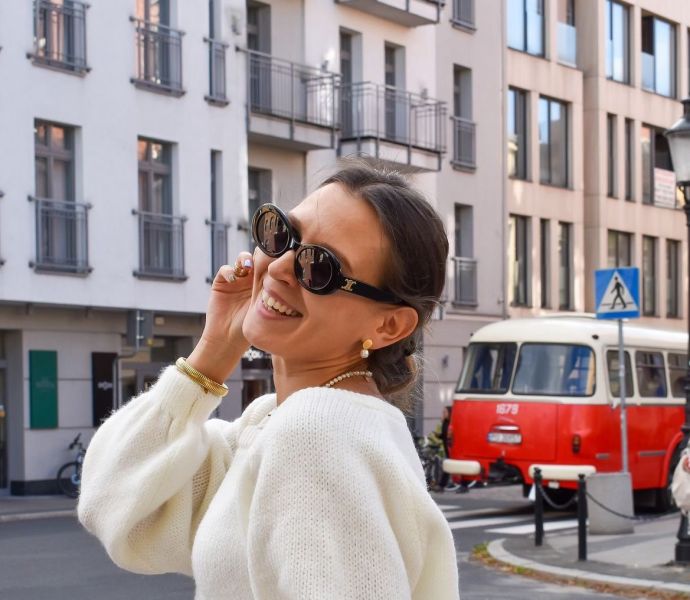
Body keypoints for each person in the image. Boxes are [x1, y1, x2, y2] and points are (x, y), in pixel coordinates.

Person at [77, 161, 460, 600]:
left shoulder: (315, 434)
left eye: (320, 267)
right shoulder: (276, 425)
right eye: (283, 235)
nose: (279, 267)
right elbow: (117, 508)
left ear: (389, 325)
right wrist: (215, 350)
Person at [435, 406, 459, 492]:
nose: (443, 413)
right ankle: (462, 483)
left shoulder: (452, 423)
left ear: (449, 413)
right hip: (447, 448)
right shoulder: (445, 423)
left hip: (452, 447)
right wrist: (439, 436)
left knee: (448, 466)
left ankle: (442, 485)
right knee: (450, 465)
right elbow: (444, 435)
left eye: (445, 411)